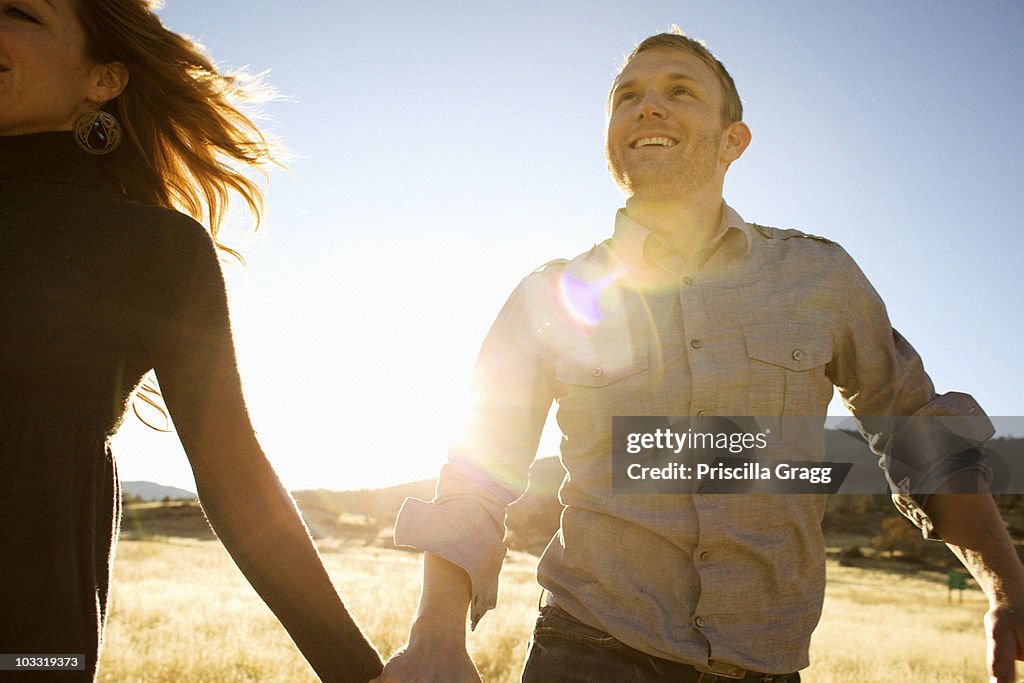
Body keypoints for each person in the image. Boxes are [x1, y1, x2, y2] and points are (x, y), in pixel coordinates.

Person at [375, 29, 1024, 683]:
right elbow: (476, 472)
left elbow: (916, 430)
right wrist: (435, 636)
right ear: (610, 143)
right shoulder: (550, 295)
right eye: (627, 96)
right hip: (587, 650)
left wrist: (1006, 585)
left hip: (767, 666)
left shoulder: (820, 278)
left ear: (732, 140)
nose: (648, 106)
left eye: (678, 91)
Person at [0, 1, 382, 680]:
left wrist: (360, 673)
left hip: (28, 646)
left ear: (103, 79)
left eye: (17, 12)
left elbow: (233, 473)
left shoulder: (152, 249)